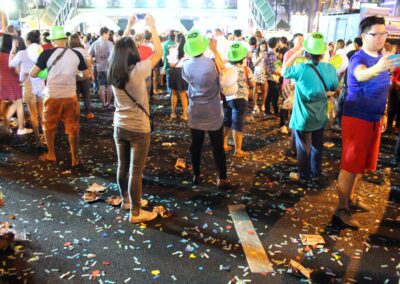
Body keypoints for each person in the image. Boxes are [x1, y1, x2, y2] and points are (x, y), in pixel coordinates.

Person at [336, 16, 398, 228]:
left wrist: (384, 113)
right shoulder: (359, 58)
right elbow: (360, 75)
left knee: (361, 164)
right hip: (356, 118)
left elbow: (384, 88)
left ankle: (351, 199)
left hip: (374, 117)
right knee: (350, 165)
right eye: (375, 34)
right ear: (364, 36)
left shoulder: (382, 57)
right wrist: (378, 68)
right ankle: (341, 208)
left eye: (384, 33)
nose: (380, 38)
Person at [108, 13, 162, 223]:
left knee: (123, 166)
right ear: (131, 53)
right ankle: (136, 213)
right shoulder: (138, 70)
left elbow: (116, 49)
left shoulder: (114, 71)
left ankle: (127, 201)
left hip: (119, 125)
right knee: (136, 172)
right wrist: (153, 27)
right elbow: (158, 52)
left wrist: (129, 25)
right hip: (139, 127)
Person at [30, 25, 90, 167]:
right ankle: (75, 158)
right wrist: (75, 72)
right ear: (65, 39)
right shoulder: (76, 54)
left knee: (49, 127)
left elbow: (32, 73)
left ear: (53, 41)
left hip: (52, 96)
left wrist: (44, 72)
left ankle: (51, 154)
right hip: (70, 96)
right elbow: (86, 75)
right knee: (73, 128)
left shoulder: (45, 54)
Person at [282, 32, 339, 182]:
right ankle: (316, 172)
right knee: (317, 146)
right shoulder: (329, 68)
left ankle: (303, 175)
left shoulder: (301, 69)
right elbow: (334, 87)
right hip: (320, 115)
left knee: (303, 147)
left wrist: (296, 54)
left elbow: (284, 71)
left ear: (306, 51)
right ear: (322, 52)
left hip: (303, 116)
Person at [182, 29, 232, 188]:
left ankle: (196, 174)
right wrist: (215, 50)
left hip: (195, 109)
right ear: (204, 47)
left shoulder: (186, 65)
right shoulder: (211, 63)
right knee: (217, 146)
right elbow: (224, 71)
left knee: (196, 144)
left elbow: (187, 81)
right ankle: (222, 178)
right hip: (213, 110)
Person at [9, 30, 46, 147]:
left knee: (33, 114)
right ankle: (45, 137)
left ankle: (38, 140)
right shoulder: (41, 52)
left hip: (29, 85)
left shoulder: (22, 54)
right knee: (42, 113)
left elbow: (11, 64)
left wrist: (13, 49)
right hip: (40, 85)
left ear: (27, 41)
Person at [221, 42, 255, 157]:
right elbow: (253, 83)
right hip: (240, 99)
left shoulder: (226, 69)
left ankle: (223, 144)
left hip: (227, 98)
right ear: (242, 58)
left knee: (227, 121)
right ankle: (238, 150)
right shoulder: (246, 69)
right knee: (237, 123)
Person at [0, 33, 33, 135]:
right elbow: (17, 70)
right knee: (19, 104)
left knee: (12, 103)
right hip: (14, 81)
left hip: (3, 82)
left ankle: (4, 123)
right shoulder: (13, 54)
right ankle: (21, 128)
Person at [333, 37, 363, 131]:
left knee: (341, 105)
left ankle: (339, 124)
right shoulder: (366, 56)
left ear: (356, 45)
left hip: (348, 85)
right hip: (359, 88)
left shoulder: (351, 54)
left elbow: (343, 68)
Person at [280, 33, 304, 135]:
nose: (301, 41)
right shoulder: (289, 53)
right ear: (293, 40)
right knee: (286, 104)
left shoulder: (304, 53)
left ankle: (291, 124)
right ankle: (283, 125)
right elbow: (285, 69)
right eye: (299, 39)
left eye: (302, 39)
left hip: (299, 84)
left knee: (295, 106)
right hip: (289, 83)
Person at [68, 33, 95, 119]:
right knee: (86, 96)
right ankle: (88, 113)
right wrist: (91, 73)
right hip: (85, 75)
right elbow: (90, 62)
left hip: (73, 76)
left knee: (75, 96)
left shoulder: (68, 52)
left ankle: (76, 114)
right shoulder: (84, 51)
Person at [89, 27, 114, 109]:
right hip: (108, 68)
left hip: (99, 67)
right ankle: (109, 103)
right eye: (108, 34)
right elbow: (112, 56)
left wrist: (94, 63)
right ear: (104, 33)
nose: (108, 35)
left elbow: (89, 56)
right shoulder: (109, 43)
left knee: (101, 86)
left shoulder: (94, 43)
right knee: (110, 86)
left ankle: (104, 103)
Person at [167, 33, 188, 120]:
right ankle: (185, 115)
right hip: (183, 72)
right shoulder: (187, 51)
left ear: (176, 40)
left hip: (174, 72)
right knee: (183, 95)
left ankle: (174, 113)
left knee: (174, 94)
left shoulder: (172, 50)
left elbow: (171, 64)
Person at [264, 37, 281, 116]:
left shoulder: (270, 53)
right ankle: (276, 112)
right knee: (274, 96)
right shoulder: (272, 54)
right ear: (276, 44)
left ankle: (267, 110)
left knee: (270, 94)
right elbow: (272, 69)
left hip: (271, 77)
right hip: (273, 77)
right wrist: (281, 73)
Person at [251, 40, 268, 115]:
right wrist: (261, 57)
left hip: (264, 73)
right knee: (256, 90)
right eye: (262, 46)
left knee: (264, 90)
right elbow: (254, 64)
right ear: (259, 46)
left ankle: (263, 104)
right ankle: (255, 105)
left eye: (264, 46)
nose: (263, 47)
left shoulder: (267, 54)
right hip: (257, 72)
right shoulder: (255, 53)